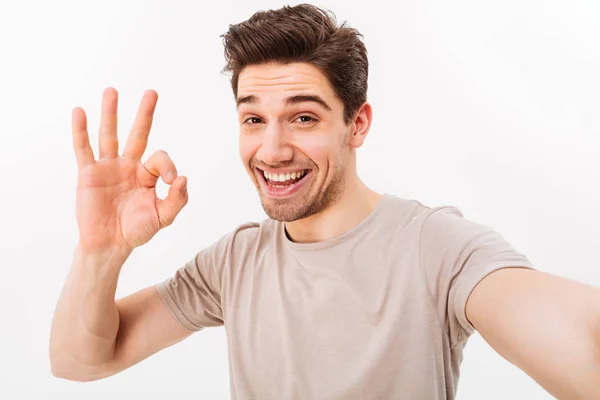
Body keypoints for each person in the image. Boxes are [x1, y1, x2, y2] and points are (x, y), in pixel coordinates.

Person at [49, 4, 600, 399]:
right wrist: (103, 251)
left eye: (303, 117)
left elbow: (576, 336)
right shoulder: (235, 261)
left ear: (356, 124)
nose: (272, 149)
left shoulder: (438, 248)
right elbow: (80, 361)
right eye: (253, 119)